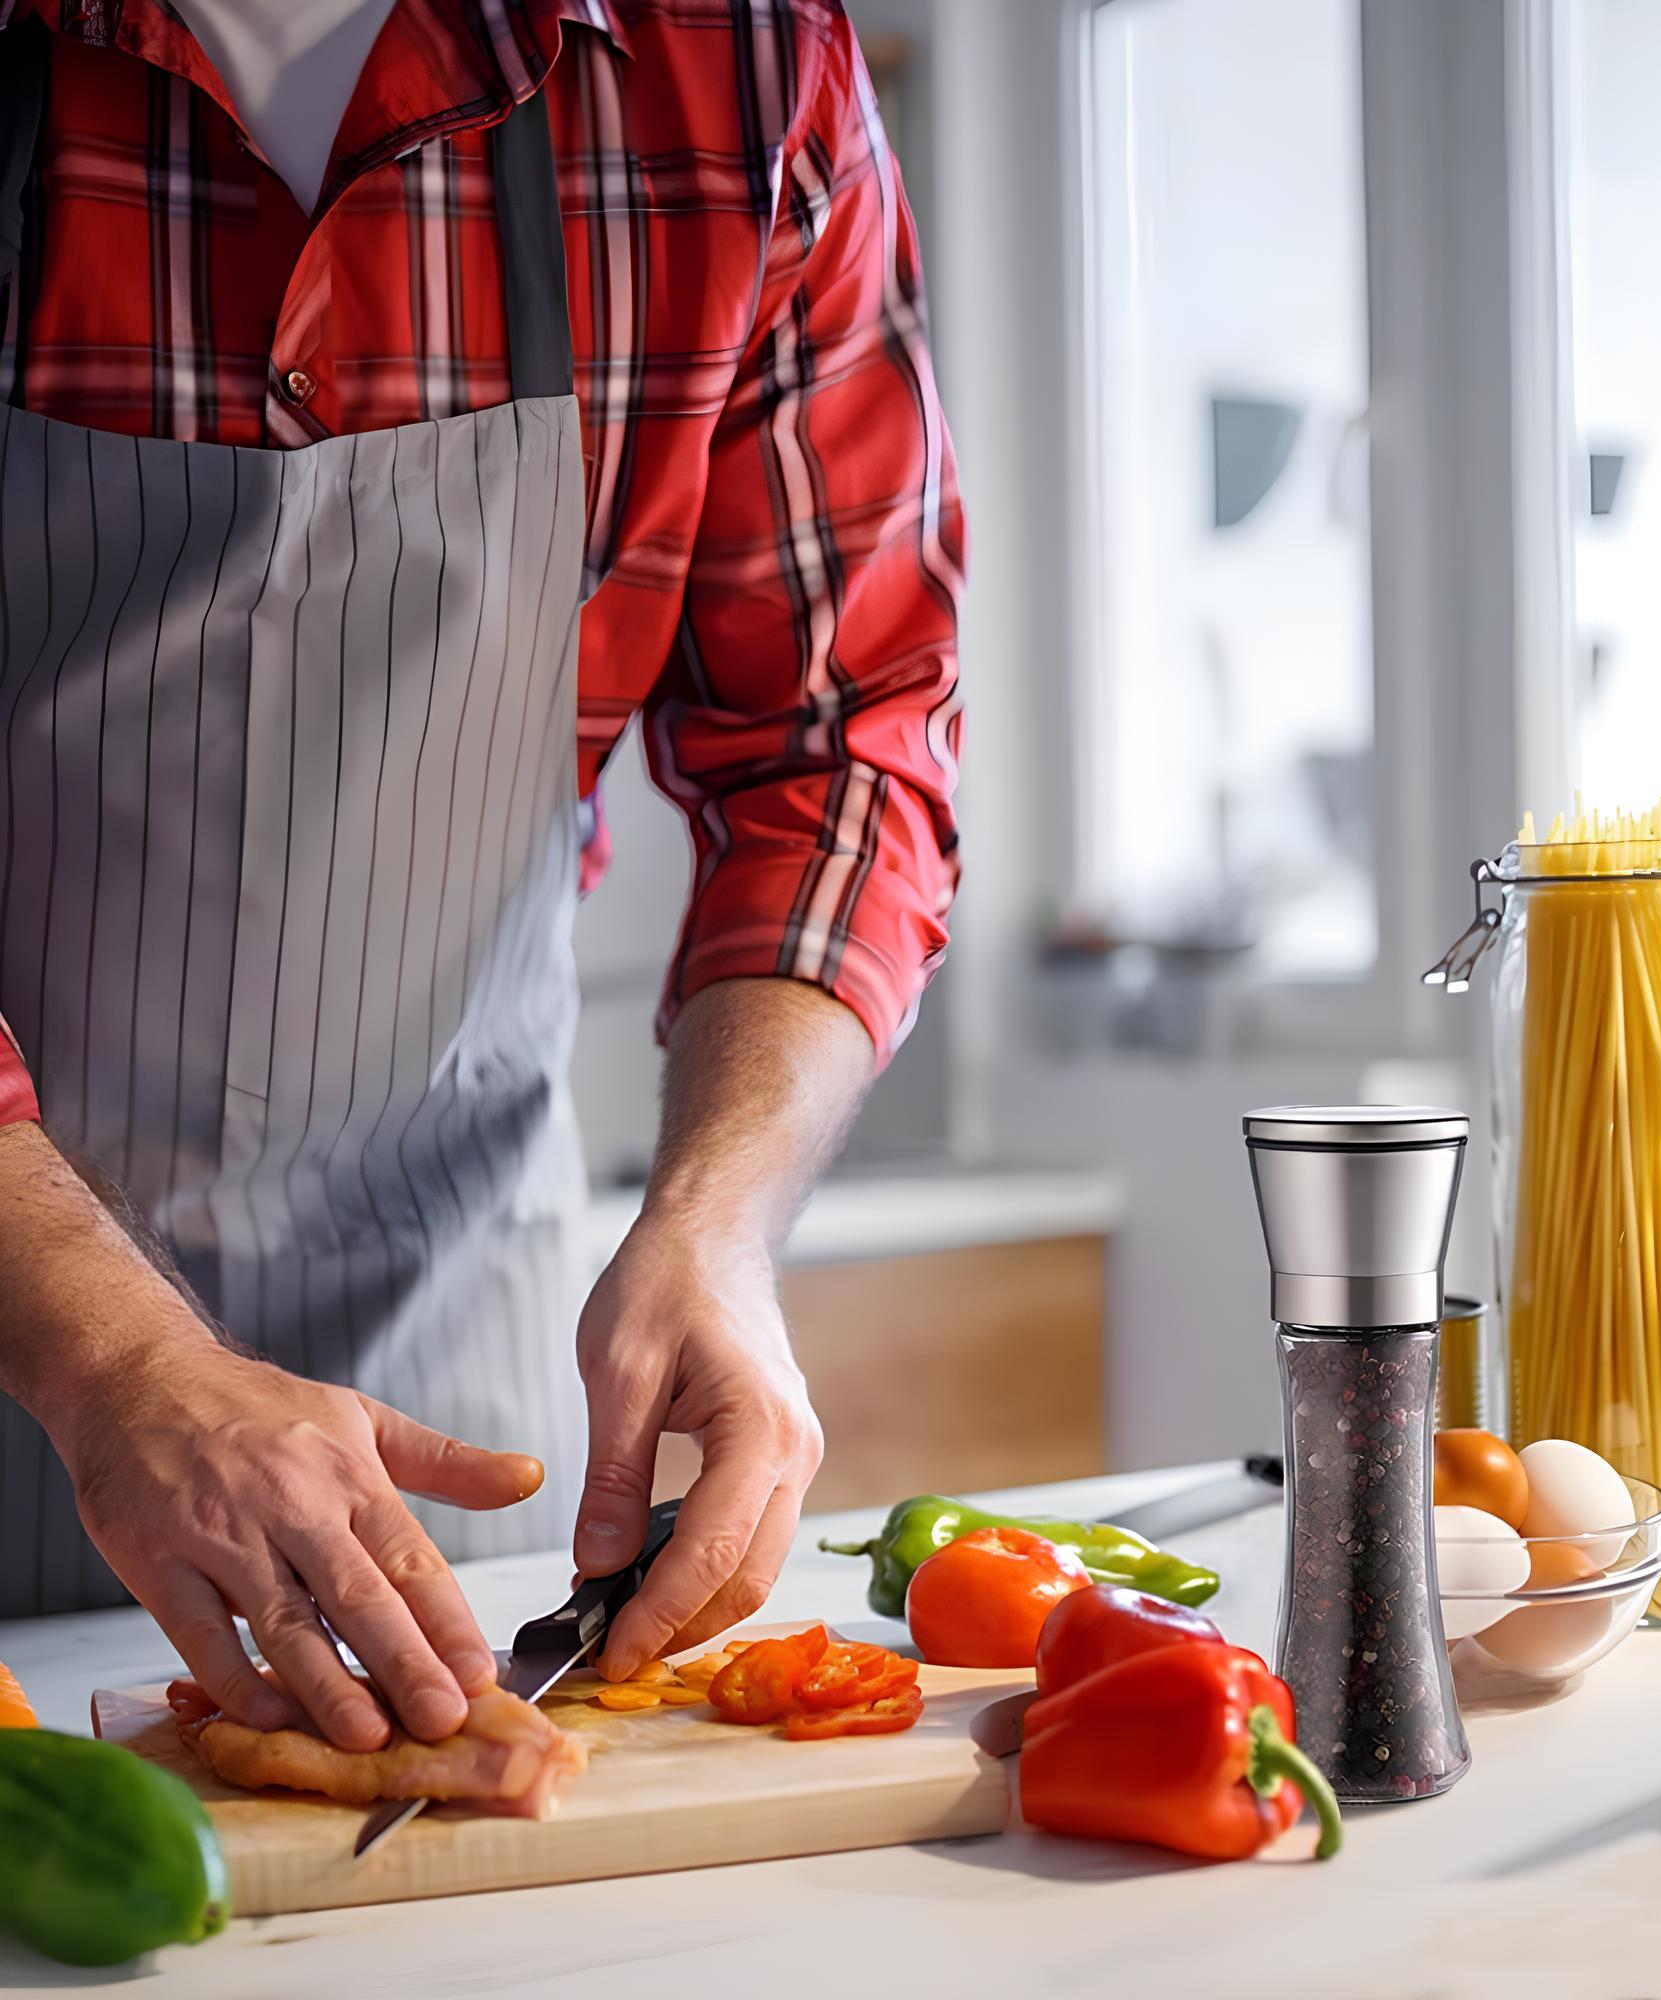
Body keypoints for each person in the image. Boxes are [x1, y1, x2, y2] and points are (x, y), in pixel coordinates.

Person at [0, 0, 962, 1758]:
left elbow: (839, 747)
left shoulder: (732, 70)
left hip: (455, 1373)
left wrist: (721, 1221)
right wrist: (121, 1363)